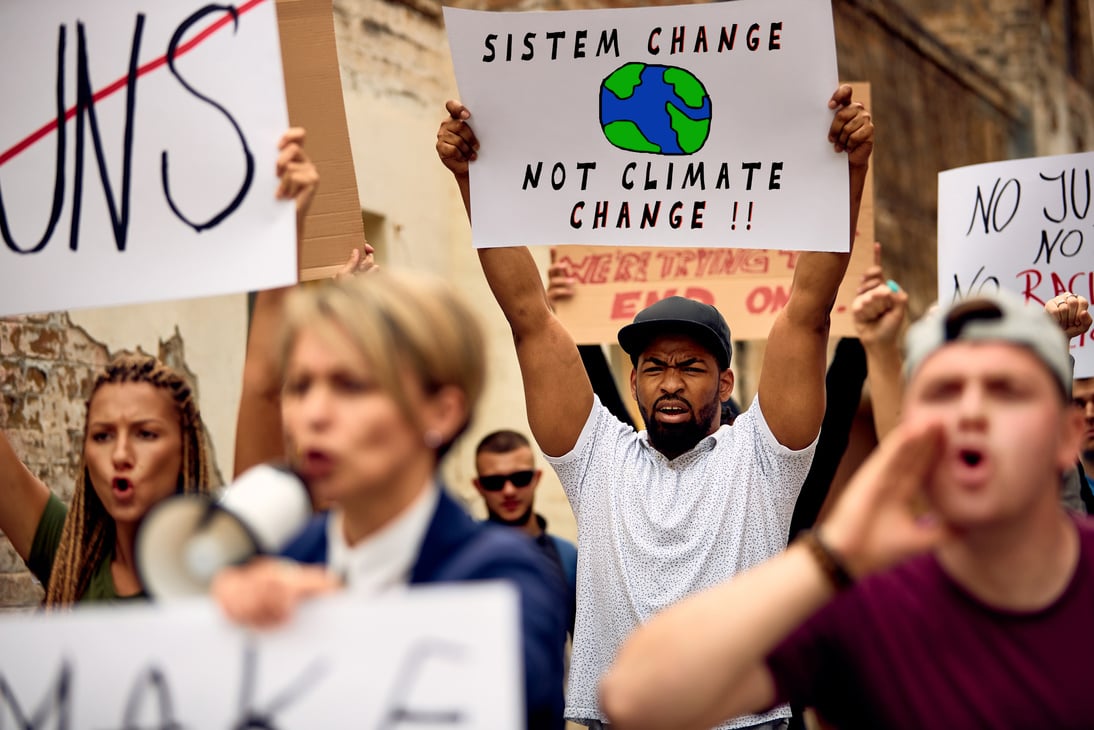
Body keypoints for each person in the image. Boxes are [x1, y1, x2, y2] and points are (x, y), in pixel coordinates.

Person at [437, 85, 874, 729]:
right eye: (655, 367)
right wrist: (474, 179)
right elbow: (529, 317)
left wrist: (849, 168)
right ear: (634, 383)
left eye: (692, 366)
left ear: (726, 384)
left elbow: (807, 312)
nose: (671, 381)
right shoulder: (596, 461)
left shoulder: (764, 457)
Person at [599, 290, 1094, 730]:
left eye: (1006, 391)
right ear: (907, 427)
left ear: (1069, 435)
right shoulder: (864, 599)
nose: (971, 413)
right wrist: (832, 556)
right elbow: (634, 698)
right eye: (944, 392)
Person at [212, 271, 568, 730]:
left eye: (351, 385)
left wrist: (334, 624)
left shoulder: (506, 577)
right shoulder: (290, 557)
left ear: (442, 411)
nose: (313, 416)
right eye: (299, 386)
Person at [0, 128, 316, 607]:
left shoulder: (225, 557)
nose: (120, 454)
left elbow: (264, 390)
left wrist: (283, 241)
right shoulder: (67, 555)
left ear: (185, 446)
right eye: (102, 435)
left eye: (145, 433)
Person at [474, 429, 578, 630]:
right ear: (478, 486)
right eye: (494, 482)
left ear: (536, 478)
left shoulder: (567, 558)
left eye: (520, 478)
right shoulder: (462, 554)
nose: (509, 491)